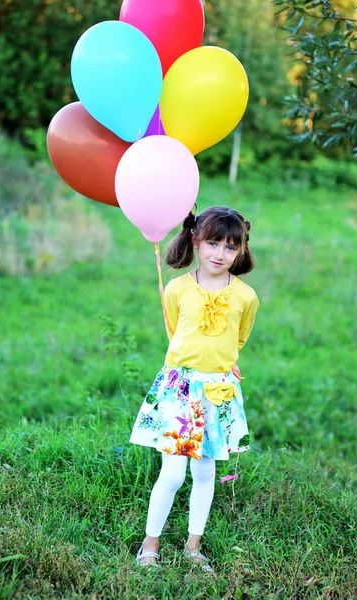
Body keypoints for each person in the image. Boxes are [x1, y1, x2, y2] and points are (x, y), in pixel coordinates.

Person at [130, 205, 259, 572]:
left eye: (230, 247)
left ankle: (192, 547)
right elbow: (175, 329)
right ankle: (149, 545)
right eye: (213, 243)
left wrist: (221, 368)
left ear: (241, 251)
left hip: (217, 391)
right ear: (195, 240)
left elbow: (240, 337)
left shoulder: (246, 297)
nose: (220, 254)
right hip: (181, 389)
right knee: (172, 473)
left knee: (205, 474)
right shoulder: (177, 288)